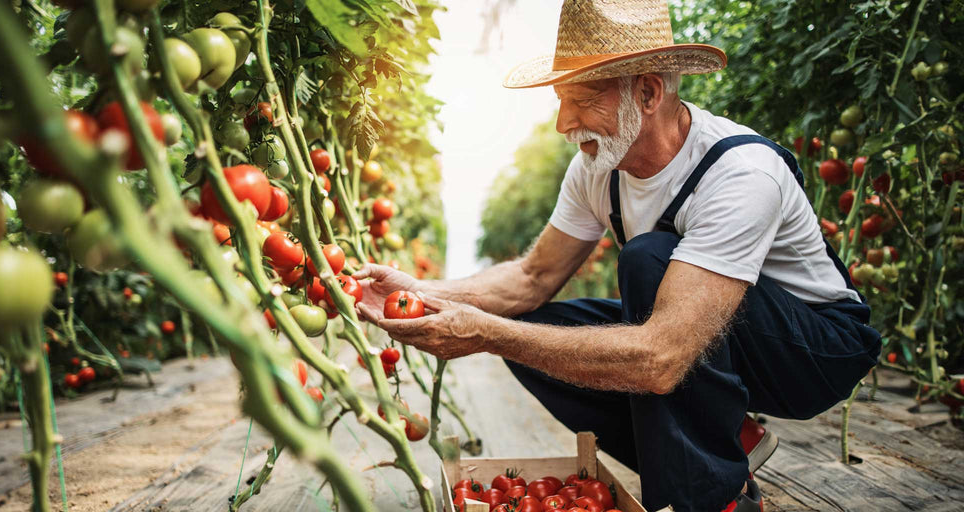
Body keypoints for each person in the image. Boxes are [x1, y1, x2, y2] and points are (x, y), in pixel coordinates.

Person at [354, 1, 881, 510]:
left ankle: (711, 500)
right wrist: (418, 293)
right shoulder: (597, 170)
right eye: (561, 101)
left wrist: (488, 335)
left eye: (581, 99)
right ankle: (729, 443)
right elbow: (532, 278)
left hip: (815, 351)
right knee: (530, 322)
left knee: (647, 260)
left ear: (648, 92)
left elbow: (662, 357)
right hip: (707, 334)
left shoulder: (740, 172)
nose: (564, 122)